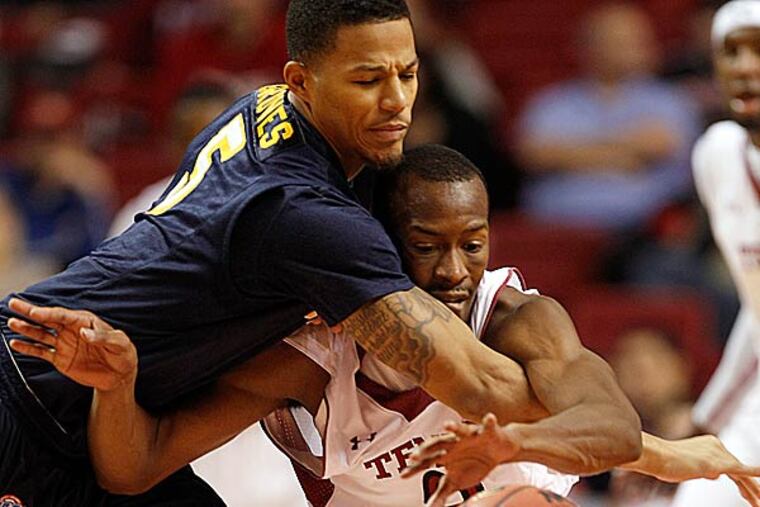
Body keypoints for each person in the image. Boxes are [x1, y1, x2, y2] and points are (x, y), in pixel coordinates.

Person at [0, 2, 643, 505]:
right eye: (367, 79)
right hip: (31, 398)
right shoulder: (310, 218)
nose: (396, 102)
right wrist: (622, 435)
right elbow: (478, 384)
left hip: (89, 397)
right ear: (301, 80)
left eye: (408, 73)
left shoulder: (263, 110)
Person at [9, 146, 760, 507]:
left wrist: (509, 444)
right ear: (378, 249)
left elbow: (613, 428)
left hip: (502, 482)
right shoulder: (308, 356)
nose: (455, 271)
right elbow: (134, 469)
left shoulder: (516, 319)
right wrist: (120, 385)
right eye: (426, 247)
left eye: (473, 241)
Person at [670, 1, 760, 505]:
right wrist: (703, 421)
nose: (745, 67)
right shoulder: (717, 156)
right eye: (732, 52)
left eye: (759, 51)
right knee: (695, 498)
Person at [516, 2, 699, 232]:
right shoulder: (552, 102)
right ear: (587, 47)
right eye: (618, 42)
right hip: (558, 225)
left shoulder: (669, 100)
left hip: (644, 231)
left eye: (635, 40)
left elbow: (661, 145)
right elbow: (534, 155)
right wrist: (625, 154)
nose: (634, 48)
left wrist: (571, 154)